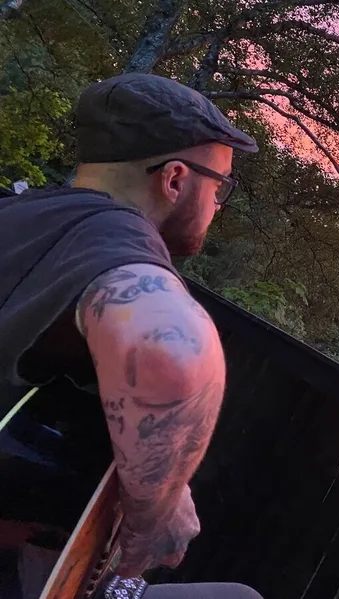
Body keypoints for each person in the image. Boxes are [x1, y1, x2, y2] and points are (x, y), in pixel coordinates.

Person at [0, 73, 264, 599]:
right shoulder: (113, 237)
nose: (218, 205)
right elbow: (170, 349)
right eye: (219, 187)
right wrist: (157, 508)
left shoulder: (21, 215)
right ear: (175, 180)